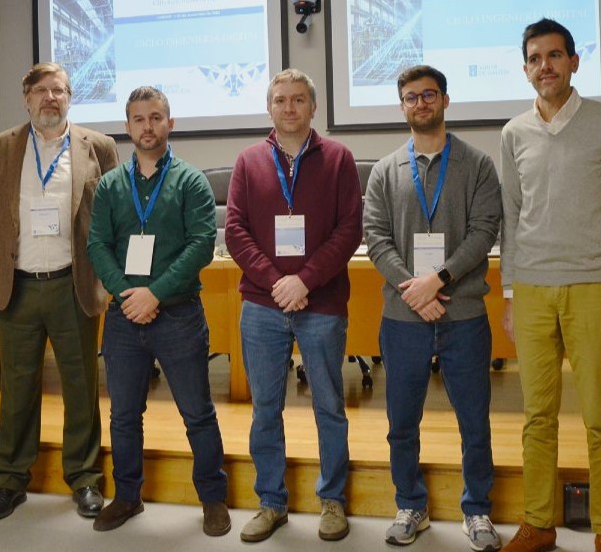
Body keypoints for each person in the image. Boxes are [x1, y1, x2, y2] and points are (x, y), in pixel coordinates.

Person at [500, 18, 601, 552]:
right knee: (536, 416)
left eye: (555, 55)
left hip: (593, 289)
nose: (545, 66)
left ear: (574, 62)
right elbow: (511, 215)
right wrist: (510, 295)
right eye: (535, 58)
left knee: (600, 419)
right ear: (526, 69)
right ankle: (539, 522)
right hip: (535, 293)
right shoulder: (514, 133)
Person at [363, 65, 503, 551]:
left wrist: (438, 280)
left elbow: (485, 230)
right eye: (411, 97)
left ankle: (478, 510)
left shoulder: (478, 164)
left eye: (429, 95)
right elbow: (375, 238)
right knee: (401, 420)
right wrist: (412, 288)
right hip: (404, 316)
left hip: (463, 312)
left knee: (474, 418)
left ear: (445, 100)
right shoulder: (384, 170)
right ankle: (411, 503)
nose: (420, 103)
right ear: (402, 106)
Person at [225, 68, 361, 543]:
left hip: (321, 303)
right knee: (265, 407)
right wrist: (275, 281)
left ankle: (332, 501)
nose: (289, 107)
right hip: (262, 306)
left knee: (329, 405)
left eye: (298, 99)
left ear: (313, 107)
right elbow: (235, 231)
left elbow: (349, 230)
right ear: (269, 107)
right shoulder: (248, 161)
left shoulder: (339, 158)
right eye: (280, 99)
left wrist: (303, 281)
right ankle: (271, 501)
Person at [86, 86, 230, 536]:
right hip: (125, 317)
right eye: (138, 119)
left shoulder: (191, 181)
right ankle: (128, 496)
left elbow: (200, 245)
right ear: (127, 127)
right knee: (124, 415)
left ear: (170, 123)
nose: (147, 126)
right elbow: (97, 245)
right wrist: (129, 294)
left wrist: (155, 294)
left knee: (198, 413)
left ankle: (212, 499)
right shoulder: (110, 185)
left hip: (179, 315)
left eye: (155, 117)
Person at [0, 62, 118, 521]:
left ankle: (84, 479)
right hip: (17, 286)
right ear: (27, 98)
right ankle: (11, 480)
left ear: (70, 97)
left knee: (80, 387)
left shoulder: (98, 146)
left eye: (58, 90)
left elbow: (111, 213)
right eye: (41, 91)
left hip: (72, 285)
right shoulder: (1, 145)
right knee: (16, 388)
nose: (50, 98)